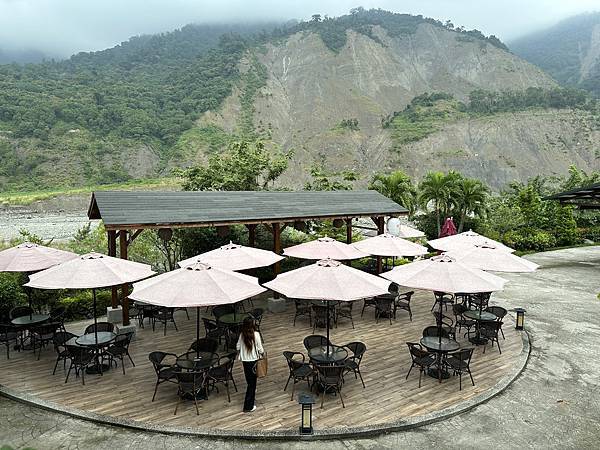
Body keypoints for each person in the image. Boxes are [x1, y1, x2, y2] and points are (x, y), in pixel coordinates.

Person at [236, 317, 264, 412]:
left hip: (245, 361)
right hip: (254, 360)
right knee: (252, 384)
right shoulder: (256, 335)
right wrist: (263, 354)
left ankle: (252, 394)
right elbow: (260, 349)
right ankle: (248, 406)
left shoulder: (242, 335)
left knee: (249, 380)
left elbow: (238, 347)